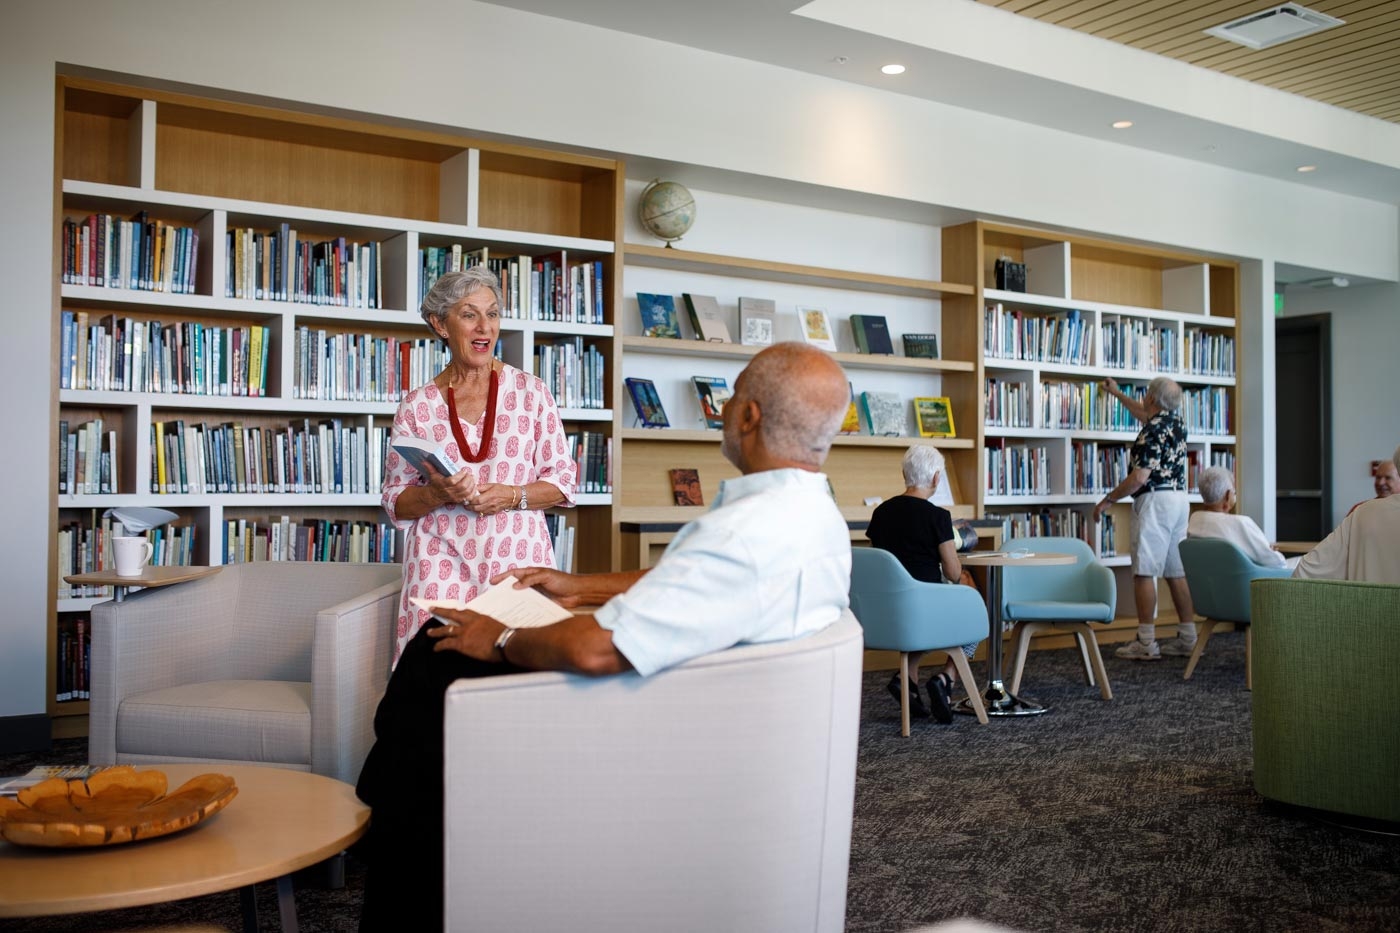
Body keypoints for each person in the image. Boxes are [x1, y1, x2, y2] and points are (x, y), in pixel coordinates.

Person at [355, 342, 854, 931]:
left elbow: (596, 650)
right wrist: (581, 587)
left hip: (646, 715)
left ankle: (395, 866)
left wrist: (499, 635)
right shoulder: (808, 516)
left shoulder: (744, 533)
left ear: (749, 417)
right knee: (432, 672)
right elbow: (696, 582)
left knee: (435, 653)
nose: (722, 409)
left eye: (733, 396)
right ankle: (394, 812)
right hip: (695, 701)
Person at [381, 267, 576, 664]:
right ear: (440, 324)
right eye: (469, 315)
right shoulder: (417, 406)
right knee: (431, 674)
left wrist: (514, 495)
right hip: (439, 559)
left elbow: (562, 482)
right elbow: (396, 502)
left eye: (492, 314)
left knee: (518, 677)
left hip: (518, 561)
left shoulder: (532, 393)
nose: (484, 326)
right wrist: (437, 493)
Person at [865, 444, 980, 723]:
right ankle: (946, 679)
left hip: (885, 615)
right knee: (974, 614)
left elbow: (883, 564)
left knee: (918, 614)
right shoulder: (937, 517)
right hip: (923, 613)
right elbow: (953, 573)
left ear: (905, 473)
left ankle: (908, 678)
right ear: (936, 478)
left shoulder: (881, 513)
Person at [1092, 376, 1196, 661]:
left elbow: (1139, 477)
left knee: (1144, 571)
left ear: (1151, 397)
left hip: (1154, 502)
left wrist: (1108, 499)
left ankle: (1146, 641)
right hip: (1179, 500)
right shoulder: (1175, 424)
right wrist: (1116, 394)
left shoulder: (1151, 431)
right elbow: (1144, 414)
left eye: (1147, 394)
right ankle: (1189, 638)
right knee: (1176, 571)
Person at [1294, 444, 1400, 583]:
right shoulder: (1360, 511)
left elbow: (1306, 572)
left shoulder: (1362, 513)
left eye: (1388, 478)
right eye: (1378, 477)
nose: (1381, 483)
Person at [1187, 466, 1296, 569]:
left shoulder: (1194, 521)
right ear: (1228, 495)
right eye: (1234, 492)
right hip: (1256, 581)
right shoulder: (1240, 523)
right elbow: (1277, 563)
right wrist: (1271, 552)